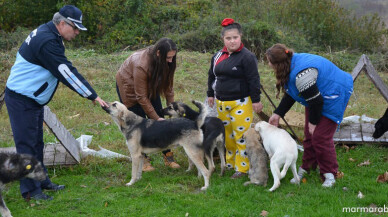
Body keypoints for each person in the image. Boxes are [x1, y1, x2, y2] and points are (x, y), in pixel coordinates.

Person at [4, 5, 108, 201]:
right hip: (21, 99)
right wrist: (92, 95)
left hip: (31, 99)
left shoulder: (50, 33)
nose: (77, 33)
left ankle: (42, 181)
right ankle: (31, 192)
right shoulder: (47, 42)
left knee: (37, 142)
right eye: (75, 28)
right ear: (62, 23)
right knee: (27, 146)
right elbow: (66, 72)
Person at [265, 43, 353, 187]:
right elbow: (292, 93)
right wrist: (278, 114)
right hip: (316, 96)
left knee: (320, 137)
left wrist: (313, 122)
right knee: (309, 135)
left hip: (334, 92)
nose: (268, 64)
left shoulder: (302, 75)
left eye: (269, 61)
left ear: (279, 64)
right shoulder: (290, 64)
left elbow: (316, 102)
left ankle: (329, 174)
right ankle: (308, 166)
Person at [207, 18, 263, 179]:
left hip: (241, 102)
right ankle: (230, 163)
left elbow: (254, 79)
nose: (232, 41)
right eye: (228, 38)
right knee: (227, 136)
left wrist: (256, 100)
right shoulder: (217, 56)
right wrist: (210, 94)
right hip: (221, 102)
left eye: (235, 37)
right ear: (223, 39)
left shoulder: (247, 57)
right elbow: (211, 75)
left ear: (241, 37)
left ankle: (242, 168)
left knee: (241, 136)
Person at [116, 38, 181, 172]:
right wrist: (156, 119)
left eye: (172, 57)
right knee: (138, 124)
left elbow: (169, 88)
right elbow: (141, 96)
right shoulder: (141, 64)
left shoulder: (168, 61)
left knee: (159, 114)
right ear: (158, 53)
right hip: (129, 88)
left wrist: (172, 109)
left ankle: (167, 154)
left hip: (150, 86)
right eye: (168, 57)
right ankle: (142, 158)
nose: (170, 60)